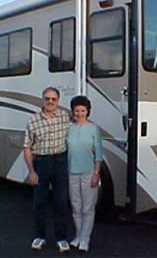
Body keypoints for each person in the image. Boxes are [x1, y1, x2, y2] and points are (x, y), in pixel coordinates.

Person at [23, 87, 71, 252]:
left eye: (53, 99)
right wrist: (31, 171)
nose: (50, 102)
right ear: (42, 100)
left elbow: (78, 129)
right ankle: (39, 237)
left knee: (61, 202)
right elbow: (27, 148)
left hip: (60, 163)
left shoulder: (65, 117)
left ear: (58, 101)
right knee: (39, 202)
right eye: (47, 98)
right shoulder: (33, 120)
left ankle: (61, 238)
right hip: (41, 164)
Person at [67, 95, 103, 252]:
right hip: (71, 173)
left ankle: (85, 239)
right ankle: (78, 235)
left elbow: (99, 154)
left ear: (88, 111)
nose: (79, 113)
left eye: (82, 110)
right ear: (73, 111)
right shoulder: (70, 127)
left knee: (88, 208)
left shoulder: (93, 128)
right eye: (77, 110)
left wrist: (96, 173)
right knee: (76, 207)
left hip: (89, 173)